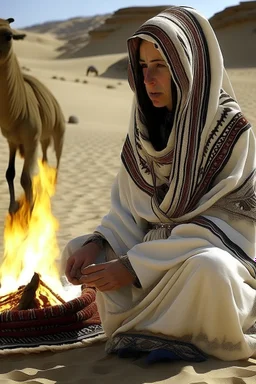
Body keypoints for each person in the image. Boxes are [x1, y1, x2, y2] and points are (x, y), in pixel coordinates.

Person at [61, 6, 256, 362]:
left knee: (210, 271)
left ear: (187, 65)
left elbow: (230, 225)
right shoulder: (143, 129)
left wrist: (136, 267)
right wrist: (97, 243)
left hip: (208, 256)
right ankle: (145, 330)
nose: (149, 80)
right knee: (77, 252)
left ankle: (177, 333)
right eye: (143, 67)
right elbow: (127, 207)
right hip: (149, 255)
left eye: (161, 66)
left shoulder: (231, 129)